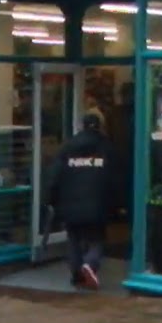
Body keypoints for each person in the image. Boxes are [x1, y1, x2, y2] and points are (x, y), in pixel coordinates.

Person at [44, 113, 115, 290]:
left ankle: (77, 275)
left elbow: (54, 177)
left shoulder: (67, 147)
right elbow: (117, 177)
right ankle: (90, 264)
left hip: (70, 204)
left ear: (82, 126)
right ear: (99, 126)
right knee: (97, 238)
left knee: (74, 238)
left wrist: (50, 200)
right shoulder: (107, 147)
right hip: (97, 204)